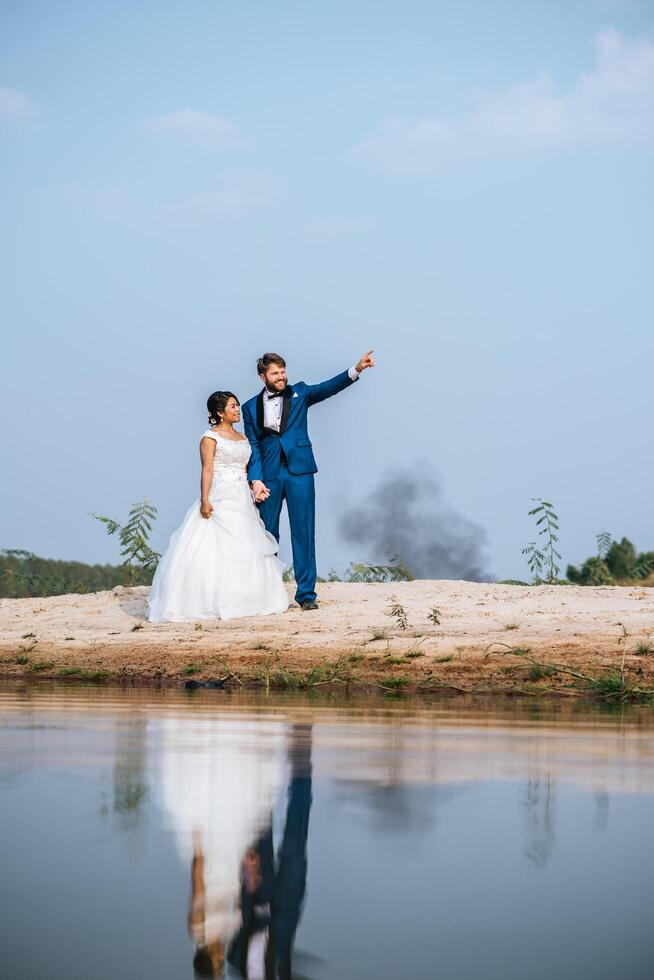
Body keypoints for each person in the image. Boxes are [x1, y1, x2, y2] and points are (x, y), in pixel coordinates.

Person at [242, 351, 375, 610]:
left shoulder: (300, 393)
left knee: (304, 531)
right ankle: (267, 591)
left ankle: (306, 595)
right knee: (267, 533)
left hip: (300, 472)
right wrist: (255, 479)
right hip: (268, 476)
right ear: (262, 377)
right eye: (275, 373)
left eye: (283, 371)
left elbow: (328, 388)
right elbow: (253, 445)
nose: (281, 376)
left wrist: (357, 368)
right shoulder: (249, 408)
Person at [147, 391, 289, 622]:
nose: (237, 409)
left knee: (246, 544)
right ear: (220, 413)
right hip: (220, 495)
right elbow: (207, 470)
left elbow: (246, 468)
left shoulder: (243, 438)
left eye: (237, 405)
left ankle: (246, 597)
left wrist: (255, 486)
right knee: (215, 547)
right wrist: (205, 499)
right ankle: (209, 600)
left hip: (241, 495)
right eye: (233, 406)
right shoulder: (209, 438)